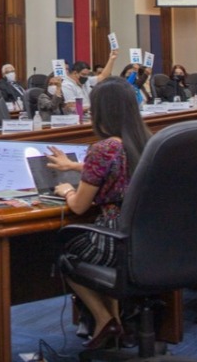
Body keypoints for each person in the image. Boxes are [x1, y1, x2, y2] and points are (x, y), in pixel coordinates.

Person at [47, 78, 152, 350]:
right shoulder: (145, 140)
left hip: (113, 238)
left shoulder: (103, 148)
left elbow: (79, 207)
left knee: (64, 253)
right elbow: (120, 168)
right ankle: (116, 323)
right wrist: (74, 165)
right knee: (104, 262)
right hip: (146, 238)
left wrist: (67, 191)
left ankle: (105, 320)